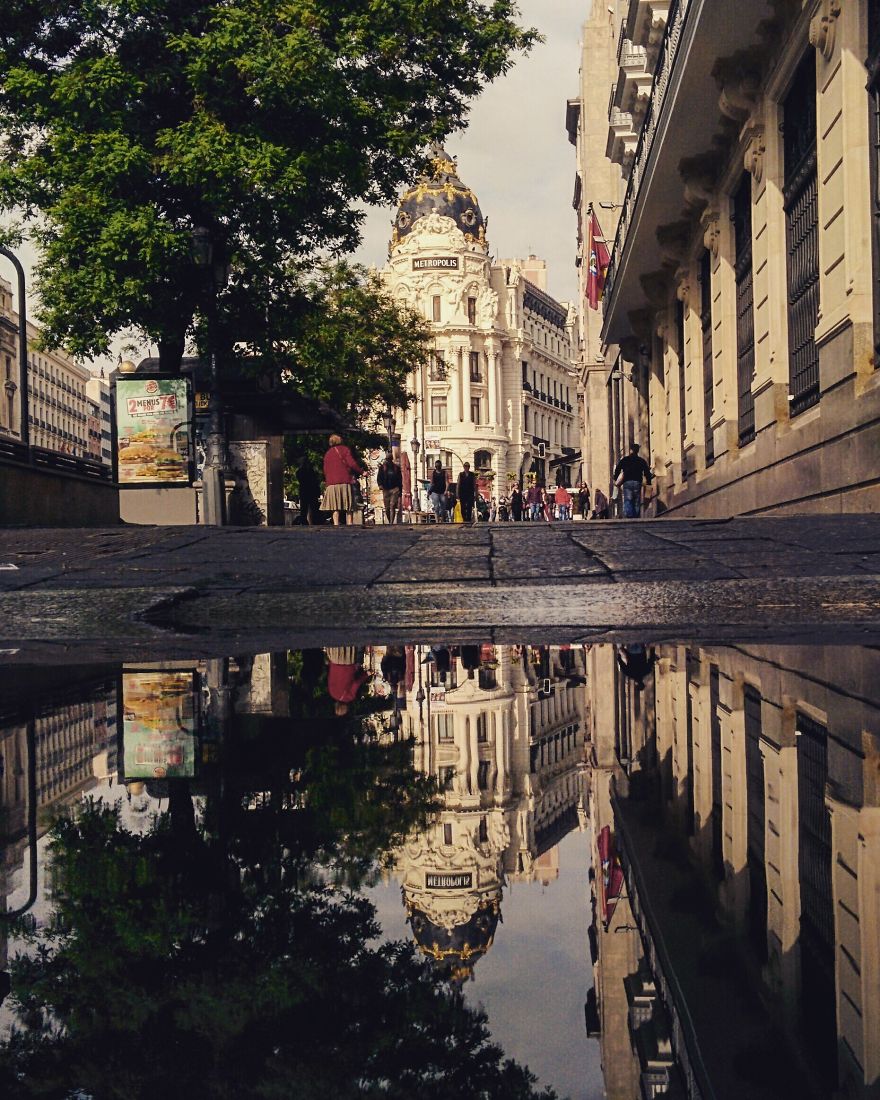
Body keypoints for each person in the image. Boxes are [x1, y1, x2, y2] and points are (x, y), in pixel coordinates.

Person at [322, 433, 365, 526]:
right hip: (344, 481)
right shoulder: (345, 450)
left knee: (335, 507)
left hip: (332, 483)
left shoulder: (328, 453)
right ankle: (349, 523)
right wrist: (362, 472)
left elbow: (325, 469)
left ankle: (336, 524)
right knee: (348, 506)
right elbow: (352, 463)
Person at [613, 443, 654, 519]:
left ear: (631, 450)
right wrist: (649, 482)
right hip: (637, 482)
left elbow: (617, 469)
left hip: (627, 482)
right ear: (638, 451)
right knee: (636, 499)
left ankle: (630, 515)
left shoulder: (625, 459)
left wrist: (616, 479)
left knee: (628, 499)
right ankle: (635, 516)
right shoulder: (641, 460)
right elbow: (647, 472)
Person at [376, 451, 403, 524]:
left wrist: (400, 489)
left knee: (392, 505)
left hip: (394, 489)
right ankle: (389, 520)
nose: (388, 461)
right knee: (387, 507)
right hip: (386, 489)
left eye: (389, 459)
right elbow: (379, 477)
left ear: (391, 459)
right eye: (387, 459)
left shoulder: (396, 468)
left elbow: (400, 479)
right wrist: (380, 485)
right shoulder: (382, 468)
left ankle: (391, 522)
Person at [296, 454, 321, 526]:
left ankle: (304, 521)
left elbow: (300, 478)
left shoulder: (300, 471)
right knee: (313, 507)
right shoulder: (311, 471)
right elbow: (316, 481)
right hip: (312, 491)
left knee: (304, 508)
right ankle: (315, 521)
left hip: (304, 491)